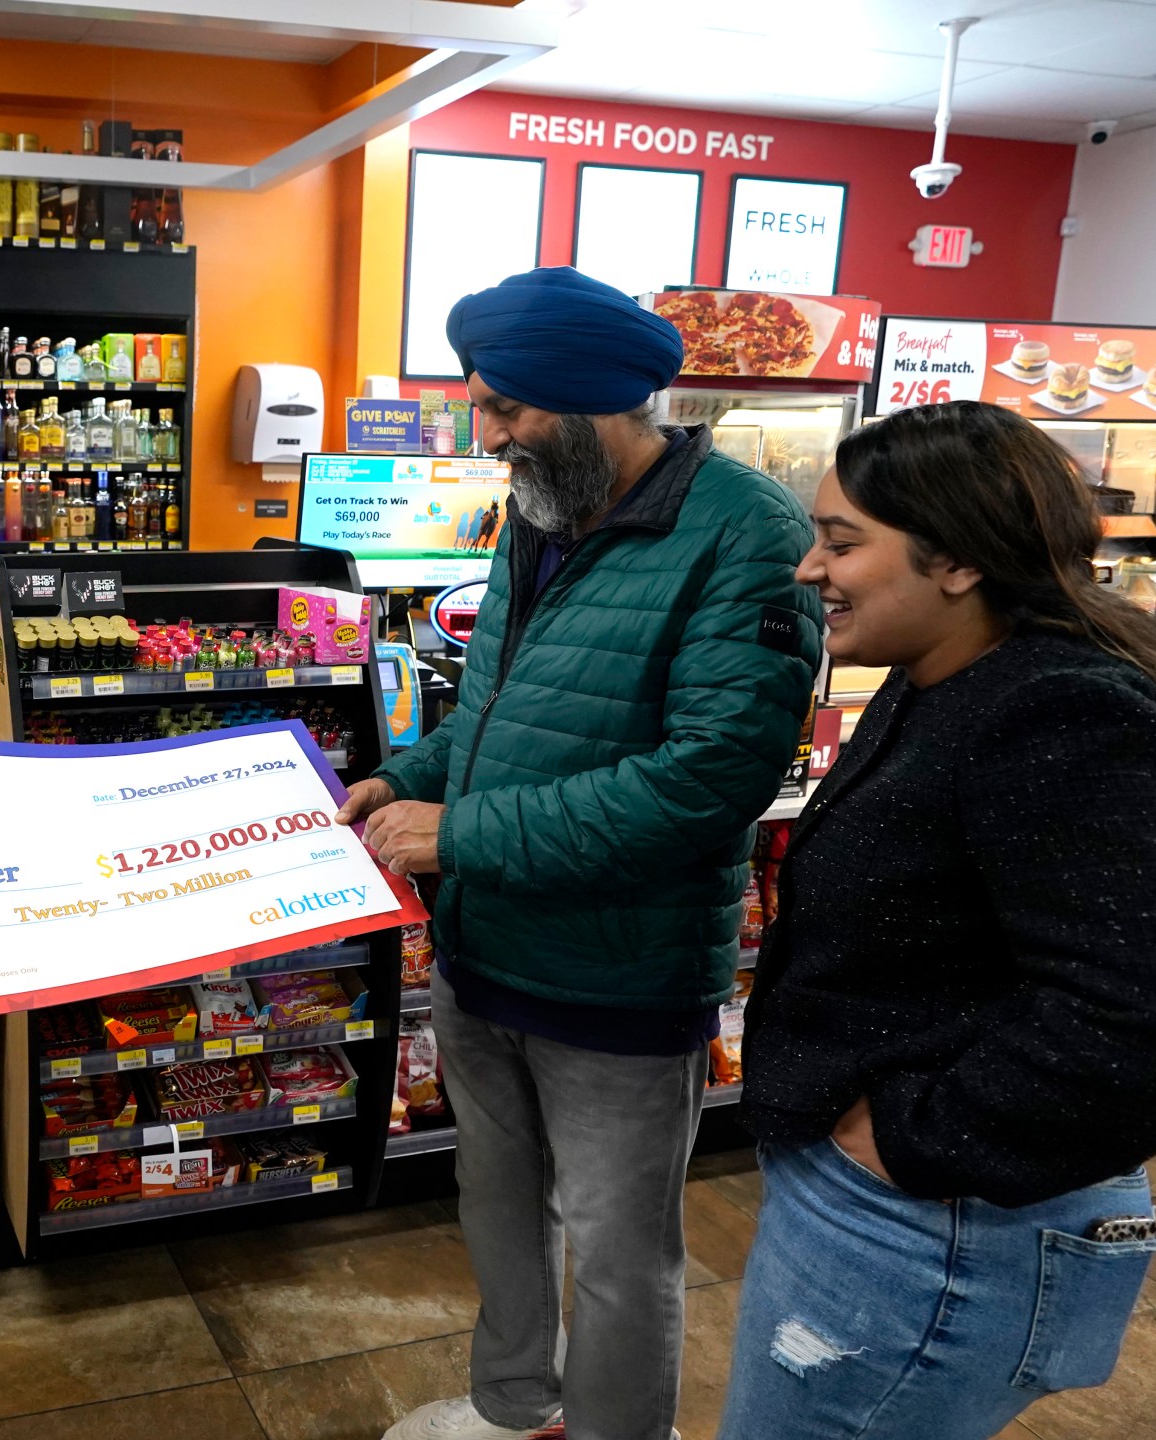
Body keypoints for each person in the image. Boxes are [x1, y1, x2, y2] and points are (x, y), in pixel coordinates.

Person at [721, 400, 1156, 1439]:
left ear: (958, 560)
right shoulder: (945, 676)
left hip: (931, 1232)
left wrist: (906, 1141)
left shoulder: (1050, 710)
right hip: (893, 1214)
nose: (807, 568)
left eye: (841, 542)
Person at [343, 267, 823, 1440]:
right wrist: (400, 780)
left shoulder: (749, 535)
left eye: (508, 408)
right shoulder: (538, 516)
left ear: (601, 401)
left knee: (619, 1253)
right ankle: (516, 1412)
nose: (489, 432)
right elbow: (493, 717)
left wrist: (461, 834)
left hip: (619, 975)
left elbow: (709, 780)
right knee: (497, 1208)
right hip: (485, 953)